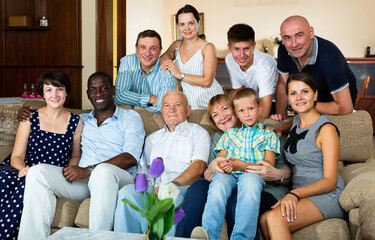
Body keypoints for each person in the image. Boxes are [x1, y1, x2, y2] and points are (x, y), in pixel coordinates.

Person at [18, 72, 145, 240]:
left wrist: (89, 169)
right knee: (37, 172)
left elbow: (130, 157)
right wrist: (24, 112)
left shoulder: (130, 118)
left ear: (113, 90)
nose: (98, 94)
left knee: (103, 171)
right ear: (88, 94)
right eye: (93, 90)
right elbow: (53, 114)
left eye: (103, 89)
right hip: (84, 181)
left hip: (118, 179)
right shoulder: (81, 120)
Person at [175, 94, 291, 239]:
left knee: (238, 195)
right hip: (228, 180)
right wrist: (216, 166)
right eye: (215, 115)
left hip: (263, 188)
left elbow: (282, 168)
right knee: (199, 186)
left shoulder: (268, 132)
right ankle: (200, 236)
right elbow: (210, 173)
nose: (222, 116)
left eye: (225, 109)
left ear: (234, 109)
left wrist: (277, 174)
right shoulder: (220, 137)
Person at [260, 72, 345, 239]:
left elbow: (330, 181)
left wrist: (294, 194)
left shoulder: (326, 130)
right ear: (289, 100)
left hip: (326, 194)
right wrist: (279, 129)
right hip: (300, 190)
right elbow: (291, 124)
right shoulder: (297, 120)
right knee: (263, 220)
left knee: (274, 218)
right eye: (293, 93)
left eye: (305, 91)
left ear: (315, 94)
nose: (299, 97)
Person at [113, 90, 210, 236]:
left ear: (188, 110)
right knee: (127, 193)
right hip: (153, 189)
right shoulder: (152, 138)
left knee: (168, 199)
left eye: (178, 105)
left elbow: (198, 167)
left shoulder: (198, 133)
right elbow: (143, 171)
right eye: (167, 105)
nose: (172, 109)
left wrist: (172, 185)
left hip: (180, 188)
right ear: (162, 110)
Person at [0, 70, 82, 240]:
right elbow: (16, 156)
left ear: (66, 91)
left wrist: (71, 169)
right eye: (49, 90)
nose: (55, 95)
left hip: (52, 173)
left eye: (59, 89)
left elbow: (75, 156)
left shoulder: (76, 121)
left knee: (29, 185)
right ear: (43, 94)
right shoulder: (30, 117)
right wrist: (25, 170)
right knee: (5, 178)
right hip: (22, 167)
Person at [201, 88, 280, 240]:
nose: (247, 114)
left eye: (251, 109)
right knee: (218, 183)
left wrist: (242, 166)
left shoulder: (268, 134)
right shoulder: (230, 134)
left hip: (252, 176)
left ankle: (242, 237)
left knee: (249, 181)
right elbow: (221, 159)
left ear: (260, 107)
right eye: (242, 111)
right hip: (230, 174)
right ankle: (208, 235)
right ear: (236, 113)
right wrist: (224, 165)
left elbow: (267, 166)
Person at [274, 15, 357, 121]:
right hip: (306, 102)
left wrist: (304, 105)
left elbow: (345, 108)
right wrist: (281, 118)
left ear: (311, 33)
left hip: (335, 108)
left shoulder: (330, 57)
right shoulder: (284, 48)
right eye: (287, 38)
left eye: (299, 35)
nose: (294, 44)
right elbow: (283, 83)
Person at [161, 4, 223, 110]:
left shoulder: (208, 47)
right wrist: (165, 62)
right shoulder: (176, 45)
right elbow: (164, 55)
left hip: (211, 103)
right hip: (190, 105)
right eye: (182, 24)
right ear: (177, 26)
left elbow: (207, 81)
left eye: (191, 23)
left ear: (198, 23)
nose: (187, 28)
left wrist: (179, 75)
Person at [114, 30, 177, 113]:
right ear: (136, 49)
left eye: (153, 48)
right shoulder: (128, 62)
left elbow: (164, 107)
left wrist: (133, 110)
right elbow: (120, 96)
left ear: (160, 51)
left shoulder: (167, 71)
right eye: (143, 47)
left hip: (157, 121)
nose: (147, 53)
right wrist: (150, 99)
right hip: (129, 122)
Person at [225, 23, 278, 118]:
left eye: (246, 49)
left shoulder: (264, 65)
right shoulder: (229, 59)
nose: (241, 55)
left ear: (253, 46)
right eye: (236, 49)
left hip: (272, 102)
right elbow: (237, 90)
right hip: (249, 101)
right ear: (229, 48)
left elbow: (264, 112)